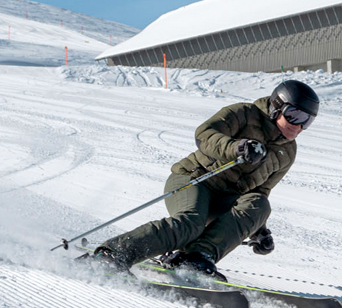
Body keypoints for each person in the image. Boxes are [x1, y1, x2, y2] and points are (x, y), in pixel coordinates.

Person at [93, 79, 319, 279]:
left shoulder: (287, 153)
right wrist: (236, 148)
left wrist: (259, 229)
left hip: (225, 198)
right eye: (294, 115)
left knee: (261, 204)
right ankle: (113, 253)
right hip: (195, 178)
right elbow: (204, 134)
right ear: (277, 106)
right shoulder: (244, 113)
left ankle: (196, 257)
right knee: (190, 224)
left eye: (307, 121)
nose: (298, 125)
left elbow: (259, 193)